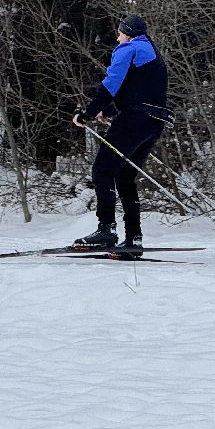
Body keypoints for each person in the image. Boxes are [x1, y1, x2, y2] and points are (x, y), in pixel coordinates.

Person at [72, 14, 169, 253]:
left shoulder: (128, 49)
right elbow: (141, 92)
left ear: (127, 32)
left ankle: (106, 230)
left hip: (134, 120)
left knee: (102, 169)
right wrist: (109, 111)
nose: (117, 37)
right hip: (154, 122)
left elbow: (111, 84)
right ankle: (133, 238)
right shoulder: (154, 56)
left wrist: (87, 113)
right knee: (125, 178)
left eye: (119, 32)